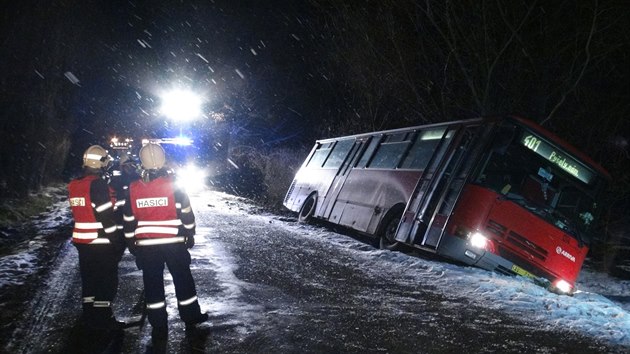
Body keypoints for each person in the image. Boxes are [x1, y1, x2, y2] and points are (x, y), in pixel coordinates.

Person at [123, 142, 208, 343]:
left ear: (142, 162)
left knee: (152, 284)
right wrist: (190, 233)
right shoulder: (174, 184)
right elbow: (186, 212)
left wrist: (130, 242)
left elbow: (128, 220)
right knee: (183, 279)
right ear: (162, 160)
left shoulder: (133, 188)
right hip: (174, 244)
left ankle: (158, 323)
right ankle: (191, 317)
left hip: (147, 246)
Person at [67, 145, 126, 330]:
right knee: (106, 280)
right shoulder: (98, 184)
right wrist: (117, 239)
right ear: (101, 162)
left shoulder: (75, 184)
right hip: (100, 241)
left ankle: (89, 314)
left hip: (82, 242)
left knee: (89, 278)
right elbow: (104, 215)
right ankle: (103, 319)